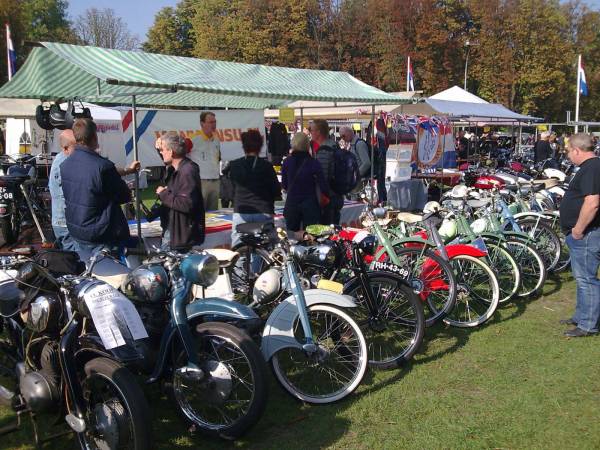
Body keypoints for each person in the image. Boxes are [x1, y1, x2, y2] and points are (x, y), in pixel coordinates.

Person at [60, 118, 132, 254]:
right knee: (110, 273)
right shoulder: (103, 167)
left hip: (77, 229)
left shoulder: (65, 165)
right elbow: (124, 195)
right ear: (94, 137)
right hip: (100, 233)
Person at [559, 133, 600, 337]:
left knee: (586, 279)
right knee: (581, 277)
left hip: (586, 234)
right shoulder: (589, 167)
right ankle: (581, 316)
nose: (567, 155)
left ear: (577, 150)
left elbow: (592, 202)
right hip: (583, 233)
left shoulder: (592, 167)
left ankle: (587, 325)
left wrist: (578, 229)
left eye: (568, 151)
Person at [225, 129, 281, 246]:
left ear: (243, 146)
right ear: (260, 146)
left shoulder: (234, 165)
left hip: (241, 211)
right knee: (267, 250)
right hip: (263, 211)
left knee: (239, 249)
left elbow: (229, 192)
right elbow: (276, 190)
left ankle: (240, 264)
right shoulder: (266, 166)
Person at [155, 132, 205, 250]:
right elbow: (166, 159)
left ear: (171, 152)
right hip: (174, 230)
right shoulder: (177, 168)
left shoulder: (187, 171)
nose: (161, 152)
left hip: (178, 234)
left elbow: (186, 203)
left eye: (163, 150)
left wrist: (163, 193)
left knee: (170, 267)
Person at [281, 132, 329, 232]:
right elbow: (323, 185)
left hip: (292, 203)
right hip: (310, 204)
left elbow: (284, 185)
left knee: (291, 237)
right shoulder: (314, 163)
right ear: (307, 145)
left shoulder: (286, 162)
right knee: (311, 235)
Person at [49, 129, 78, 251]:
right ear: (66, 148)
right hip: (65, 223)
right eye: (77, 147)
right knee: (76, 262)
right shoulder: (65, 163)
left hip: (63, 222)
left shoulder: (63, 159)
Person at [312, 119, 344, 225]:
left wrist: (320, 198)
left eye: (312, 130)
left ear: (319, 132)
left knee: (326, 232)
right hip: (338, 193)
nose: (311, 133)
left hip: (329, 198)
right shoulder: (335, 145)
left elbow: (322, 177)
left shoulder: (324, 150)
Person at [190, 111, 220, 211]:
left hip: (215, 180)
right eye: (210, 122)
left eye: (215, 122)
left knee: (214, 214)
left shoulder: (216, 138)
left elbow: (218, 157)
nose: (214, 124)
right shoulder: (192, 139)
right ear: (202, 123)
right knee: (200, 212)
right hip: (200, 181)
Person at [375, 118, 389, 203]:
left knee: (380, 180)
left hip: (380, 157)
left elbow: (381, 146)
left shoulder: (380, 131)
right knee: (381, 180)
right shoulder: (381, 131)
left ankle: (382, 198)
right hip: (381, 157)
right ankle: (382, 198)